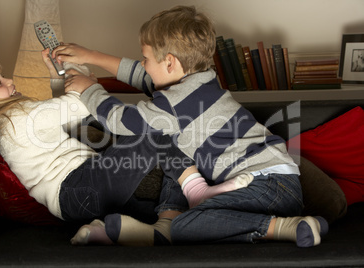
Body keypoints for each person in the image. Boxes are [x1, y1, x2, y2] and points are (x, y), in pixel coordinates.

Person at [53, 5, 329, 247]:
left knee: (187, 225)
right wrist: (90, 56)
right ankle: (164, 225)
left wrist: (89, 89)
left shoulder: (171, 107)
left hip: (267, 188)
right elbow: (143, 76)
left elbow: (119, 120)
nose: (144, 65)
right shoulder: (203, 80)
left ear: (170, 62)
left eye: (146, 58)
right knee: (178, 148)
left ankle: (285, 227)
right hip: (278, 182)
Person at [0, 49, 226, 246]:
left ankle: (141, 225)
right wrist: (84, 79)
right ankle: (182, 206)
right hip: (81, 183)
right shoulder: (17, 117)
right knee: (158, 129)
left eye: (3, 76)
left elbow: (57, 115)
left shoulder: (10, 123)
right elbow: (80, 105)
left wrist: (59, 77)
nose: (10, 81)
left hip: (77, 201)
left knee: (163, 189)